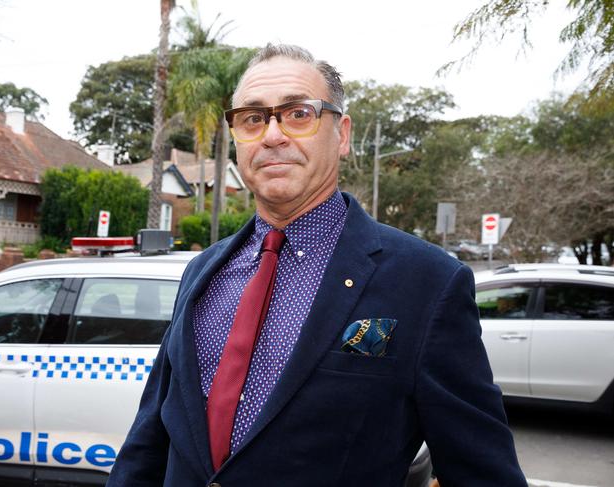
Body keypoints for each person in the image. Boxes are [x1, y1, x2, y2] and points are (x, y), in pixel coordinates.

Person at [107, 44, 527, 487]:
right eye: (253, 118)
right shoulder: (202, 272)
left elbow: (483, 471)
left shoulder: (428, 282)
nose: (272, 136)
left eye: (298, 114)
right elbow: (150, 438)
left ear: (342, 134)